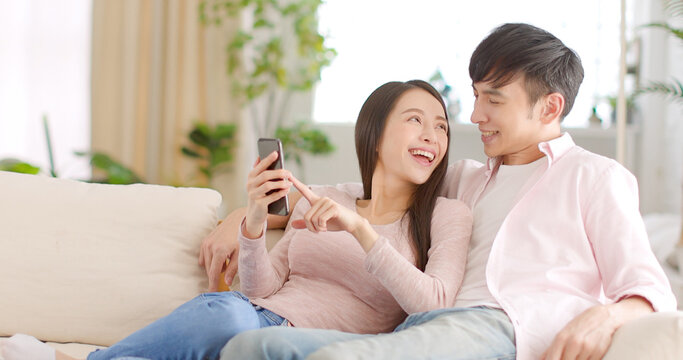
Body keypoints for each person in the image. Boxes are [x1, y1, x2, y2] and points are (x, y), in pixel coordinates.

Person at [215, 23, 677, 360]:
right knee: (252, 347)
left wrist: (607, 316)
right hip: (420, 326)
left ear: (550, 106)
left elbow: (648, 287)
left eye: (493, 100)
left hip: (498, 327)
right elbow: (354, 199)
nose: (475, 115)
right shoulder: (464, 178)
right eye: (475, 96)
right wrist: (242, 216)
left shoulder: (595, 176)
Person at [0, 80, 473, 360]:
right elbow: (261, 293)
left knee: (225, 313)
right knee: (228, 310)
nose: (432, 135)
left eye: (441, 127)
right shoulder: (326, 197)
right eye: (416, 120)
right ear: (375, 133)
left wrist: (361, 231)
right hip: (255, 319)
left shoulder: (447, 215)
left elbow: (432, 302)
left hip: (311, 342)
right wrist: (251, 222)